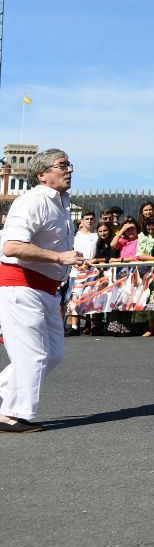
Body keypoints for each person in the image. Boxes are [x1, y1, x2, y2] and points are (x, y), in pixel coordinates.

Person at [0, 149, 81, 432]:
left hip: (46, 289)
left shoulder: (61, 204)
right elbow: (12, 246)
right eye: (62, 165)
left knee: (53, 354)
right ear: (42, 175)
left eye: (69, 164)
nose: (69, 169)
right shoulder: (32, 201)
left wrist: (67, 257)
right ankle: (10, 414)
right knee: (31, 355)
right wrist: (59, 257)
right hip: (20, 285)